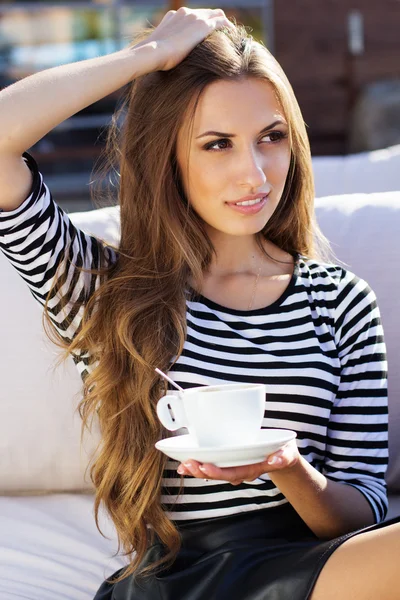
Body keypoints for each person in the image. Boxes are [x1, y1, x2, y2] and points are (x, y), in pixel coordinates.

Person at [0, 7, 399, 600]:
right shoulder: (103, 290)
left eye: (271, 137)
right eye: (218, 144)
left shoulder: (340, 301)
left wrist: (286, 467)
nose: (255, 173)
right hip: (183, 580)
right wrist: (145, 59)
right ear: (170, 157)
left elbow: (363, 512)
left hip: (324, 570)